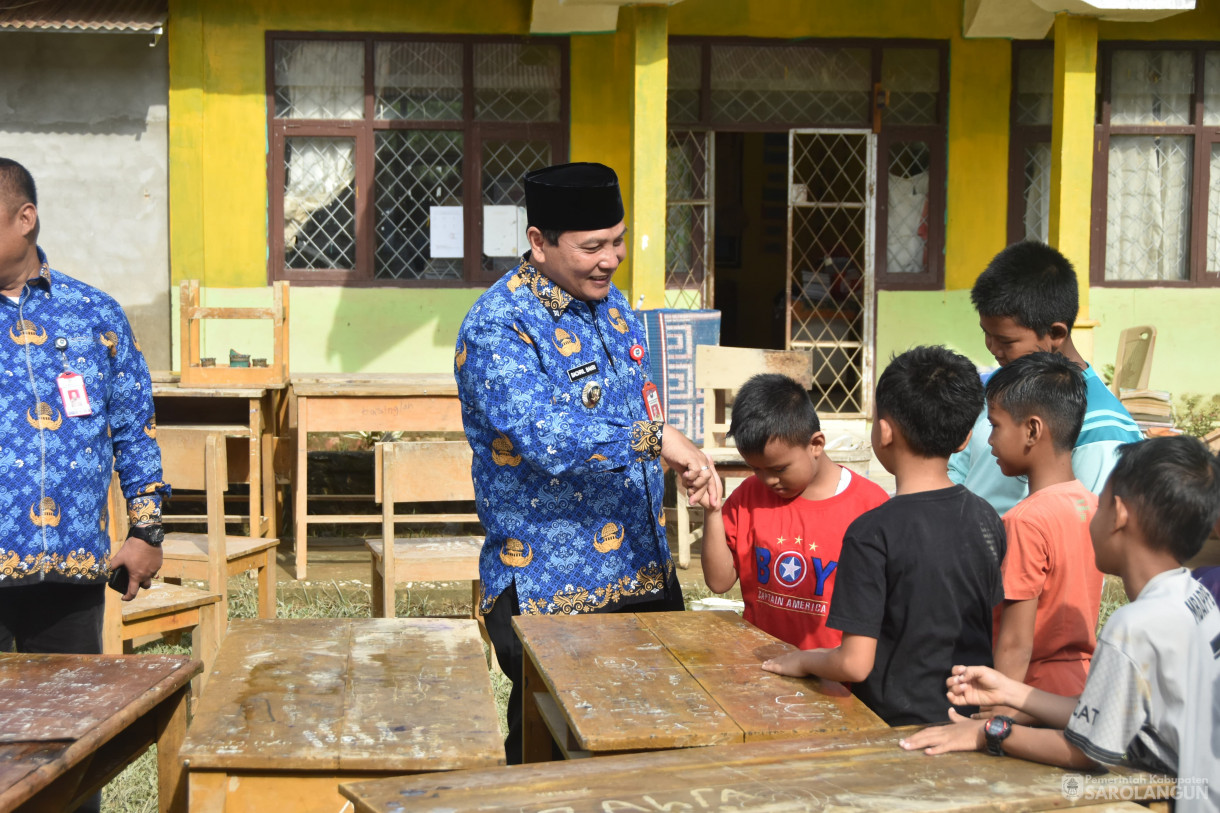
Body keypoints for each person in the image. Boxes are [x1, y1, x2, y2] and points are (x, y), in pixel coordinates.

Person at [454, 161, 720, 764]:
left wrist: (675, 460)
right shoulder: (500, 324)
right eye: (592, 246)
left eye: (618, 241)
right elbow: (542, 437)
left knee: (654, 750)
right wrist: (657, 439)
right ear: (539, 244)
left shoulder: (613, 305)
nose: (611, 258)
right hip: (550, 584)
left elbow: (633, 409)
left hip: (642, 568)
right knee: (553, 756)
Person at [900, 436, 1220, 813]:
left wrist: (988, 732)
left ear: (1119, 515)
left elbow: (1087, 751)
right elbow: (1110, 717)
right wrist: (1010, 692)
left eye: (1100, 505)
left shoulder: (1135, 624)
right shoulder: (1195, 596)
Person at [0, 158, 169, 813]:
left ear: (25, 218)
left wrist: (146, 530)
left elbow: (134, 429)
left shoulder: (95, 316)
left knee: (70, 756)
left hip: (70, 574)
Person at [762, 346, 1005, 726]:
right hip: (967, 725)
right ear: (964, 439)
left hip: (891, 728)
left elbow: (854, 664)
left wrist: (803, 659)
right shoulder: (988, 519)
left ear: (885, 431)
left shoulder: (871, 532)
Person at [949, 241, 1142, 516]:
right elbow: (959, 470)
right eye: (986, 333)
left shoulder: (1102, 430)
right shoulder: (1001, 390)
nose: (991, 348)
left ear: (1056, 333)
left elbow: (1088, 537)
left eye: (1006, 340)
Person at [701, 373, 887, 649]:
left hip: (834, 678)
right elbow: (719, 582)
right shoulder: (748, 496)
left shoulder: (870, 506)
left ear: (815, 445)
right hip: (759, 667)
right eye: (756, 469)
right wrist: (713, 511)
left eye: (779, 469)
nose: (768, 480)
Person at [985, 352, 1104, 702]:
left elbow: (1016, 644)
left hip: (1030, 695)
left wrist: (993, 718)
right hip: (1079, 687)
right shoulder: (1091, 504)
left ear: (1033, 430)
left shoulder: (1025, 521)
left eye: (995, 425)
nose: (990, 439)